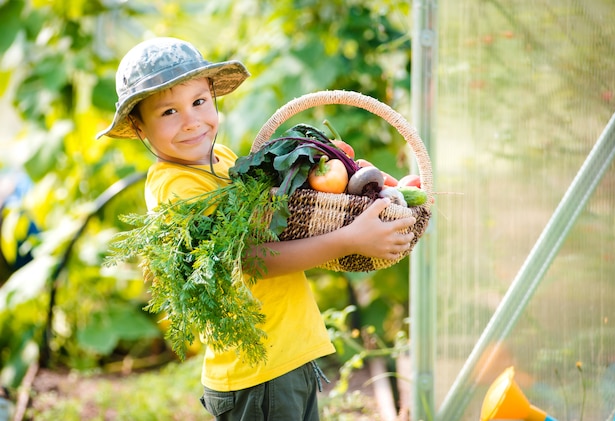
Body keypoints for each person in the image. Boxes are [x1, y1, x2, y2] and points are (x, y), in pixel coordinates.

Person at [97, 37, 416, 421]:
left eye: (199, 102)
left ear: (213, 97)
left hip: (285, 357)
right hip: (258, 372)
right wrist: (349, 238)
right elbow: (248, 259)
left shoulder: (221, 158)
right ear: (139, 125)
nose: (191, 121)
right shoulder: (176, 186)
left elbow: (272, 228)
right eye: (168, 112)